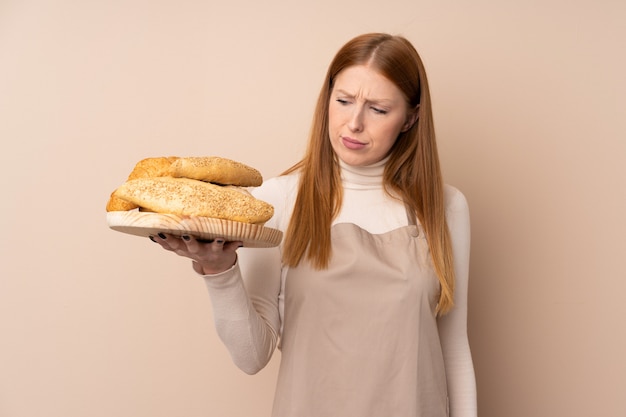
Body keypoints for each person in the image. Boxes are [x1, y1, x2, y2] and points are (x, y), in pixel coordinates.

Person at [151, 33, 477, 417]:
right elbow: (251, 355)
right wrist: (218, 272)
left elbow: (453, 348)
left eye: (378, 109)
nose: (353, 123)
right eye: (343, 101)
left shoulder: (445, 208)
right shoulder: (280, 199)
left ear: (411, 117)